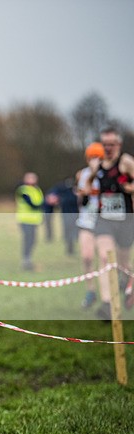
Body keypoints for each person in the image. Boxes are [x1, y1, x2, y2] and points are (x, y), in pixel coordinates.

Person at [89, 126, 134, 320]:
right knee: (106, 258)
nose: (108, 148)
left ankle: (128, 285)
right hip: (104, 219)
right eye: (105, 144)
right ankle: (107, 304)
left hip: (125, 220)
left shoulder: (126, 162)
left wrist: (128, 188)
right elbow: (86, 185)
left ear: (119, 144)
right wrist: (90, 180)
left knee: (123, 263)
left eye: (111, 144)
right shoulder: (96, 164)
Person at [75, 142, 104, 308]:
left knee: (104, 259)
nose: (95, 160)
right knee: (87, 257)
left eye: (98, 157)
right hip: (86, 222)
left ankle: (108, 293)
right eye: (92, 157)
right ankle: (91, 290)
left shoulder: (108, 175)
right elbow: (83, 201)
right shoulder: (83, 175)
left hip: (104, 223)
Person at [15, 172, 44, 271]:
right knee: (27, 240)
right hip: (25, 219)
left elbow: (41, 203)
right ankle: (26, 259)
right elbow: (33, 204)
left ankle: (28, 258)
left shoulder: (37, 190)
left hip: (34, 220)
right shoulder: (22, 190)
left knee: (33, 240)